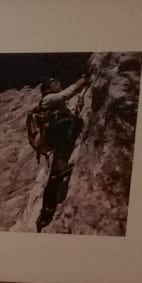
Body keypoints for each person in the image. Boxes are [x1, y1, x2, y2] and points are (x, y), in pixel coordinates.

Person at [25, 74, 88, 231]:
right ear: (47, 89)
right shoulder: (47, 99)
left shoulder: (55, 103)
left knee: (55, 173)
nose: (58, 83)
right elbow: (66, 94)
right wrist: (82, 81)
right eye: (54, 82)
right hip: (56, 130)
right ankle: (46, 211)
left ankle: (46, 211)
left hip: (58, 129)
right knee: (56, 168)